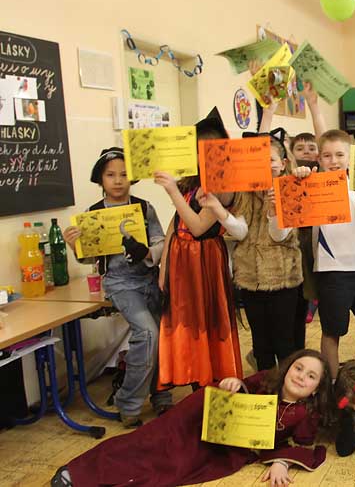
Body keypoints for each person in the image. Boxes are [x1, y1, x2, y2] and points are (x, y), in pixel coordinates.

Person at [52, 349, 334, 487]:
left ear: (316, 388)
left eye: (311, 376)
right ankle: (79, 470)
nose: (301, 377)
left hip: (228, 446)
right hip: (203, 416)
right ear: (288, 368)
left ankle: (94, 478)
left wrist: (281, 462)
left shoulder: (306, 414)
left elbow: (301, 445)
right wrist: (234, 383)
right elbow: (241, 385)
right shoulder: (266, 379)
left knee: (174, 464)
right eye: (298, 368)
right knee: (152, 440)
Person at [62, 147, 172, 428]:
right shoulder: (93, 214)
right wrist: (74, 244)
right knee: (147, 333)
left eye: (124, 174)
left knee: (161, 338)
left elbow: (161, 243)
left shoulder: (144, 208)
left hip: (149, 280)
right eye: (111, 175)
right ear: (101, 179)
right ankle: (129, 402)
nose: (118, 180)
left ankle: (161, 395)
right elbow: (89, 257)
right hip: (119, 284)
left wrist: (145, 252)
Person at [155, 108, 242, 388]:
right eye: (198, 149)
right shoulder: (190, 182)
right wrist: (164, 267)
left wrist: (172, 192)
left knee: (206, 323)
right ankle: (194, 379)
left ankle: (209, 385)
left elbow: (198, 227)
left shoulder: (223, 186)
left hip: (205, 261)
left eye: (211, 148)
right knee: (188, 323)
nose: (203, 155)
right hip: (181, 261)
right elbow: (174, 225)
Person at [292, 129, 355, 378]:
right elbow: (294, 191)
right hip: (331, 270)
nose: (334, 161)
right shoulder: (312, 182)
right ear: (319, 159)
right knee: (332, 332)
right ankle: (332, 383)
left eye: (340, 155)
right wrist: (300, 174)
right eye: (327, 155)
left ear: (350, 157)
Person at [232, 125, 303, 372]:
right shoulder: (245, 192)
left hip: (283, 280)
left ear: (283, 164)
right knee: (260, 344)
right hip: (250, 280)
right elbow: (240, 232)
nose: (265, 165)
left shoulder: (291, 187)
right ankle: (266, 387)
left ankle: (287, 388)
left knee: (285, 343)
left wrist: (274, 210)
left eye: (271, 160)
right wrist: (218, 210)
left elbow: (279, 236)